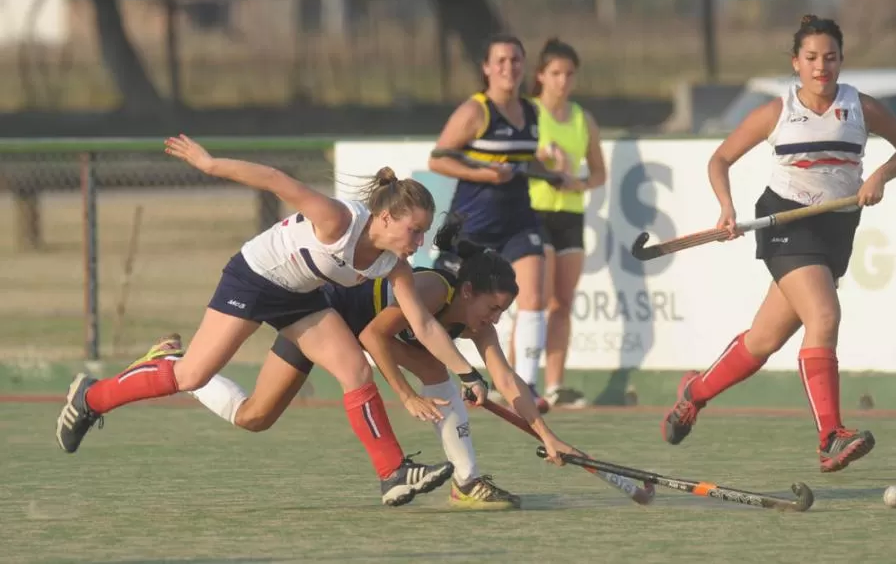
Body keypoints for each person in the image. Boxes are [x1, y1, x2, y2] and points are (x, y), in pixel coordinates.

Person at [54, 134, 491, 507]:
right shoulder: (338, 220)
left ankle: (393, 473)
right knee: (191, 375)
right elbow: (274, 179)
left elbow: (426, 325)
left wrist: (468, 373)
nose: (418, 241)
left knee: (354, 369)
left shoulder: (394, 264)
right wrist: (209, 163)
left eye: (423, 231)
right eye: (413, 230)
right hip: (253, 280)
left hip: (300, 296)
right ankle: (91, 399)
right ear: (385, 217)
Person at [155, 215, 578, 510]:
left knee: (254, 417)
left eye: (503, 312)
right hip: (326, 315)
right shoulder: (434, 290)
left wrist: (547, 433)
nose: (495, 319)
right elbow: (372, 336)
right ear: (468, 291)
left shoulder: (477, 324)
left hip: (357, 334)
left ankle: (177, 363)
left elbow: (507, 380)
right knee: (432, 369)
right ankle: (466, 482)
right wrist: (407, 394)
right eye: (494, 307)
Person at [661, 15, 896, 473]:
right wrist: (726, 206)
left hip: (837, 229)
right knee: (823, 315)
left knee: (762, 341)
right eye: (812, 58)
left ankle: (694, 394)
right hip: (785, 222)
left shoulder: (860, 107)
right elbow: (720, 158)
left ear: (841, 60)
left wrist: (879, 175)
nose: (822, 66)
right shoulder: (777, 112)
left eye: (831, 57)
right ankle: (830, 437)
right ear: (795, 62)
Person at [428, 34, 576, 412]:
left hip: (518, 219)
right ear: (487, 68)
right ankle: (434, 375)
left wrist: (550, 173)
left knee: (534, 297)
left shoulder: (529, 111)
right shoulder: (474, 111)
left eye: (515, 61)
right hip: (472, 224)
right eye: (501, 61)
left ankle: (526, 384)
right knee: (441, 303)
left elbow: (523, 161)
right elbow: (438, 159)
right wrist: (485, 176)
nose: (508, 68)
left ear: (524, 67)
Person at [506, 37, 606, 409]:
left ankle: (555, 384)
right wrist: (542, 158)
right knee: (535, 298)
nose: (562, 81)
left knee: (562, 302)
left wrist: (578, 181)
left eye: (569, 74)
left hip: (570, 215)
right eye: (555, 73)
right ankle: (516, 378)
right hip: (533, 211)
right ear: (541, 76)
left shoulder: (583, 119)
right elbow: (511, 160)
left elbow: (598, 173)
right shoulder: (527, 113)